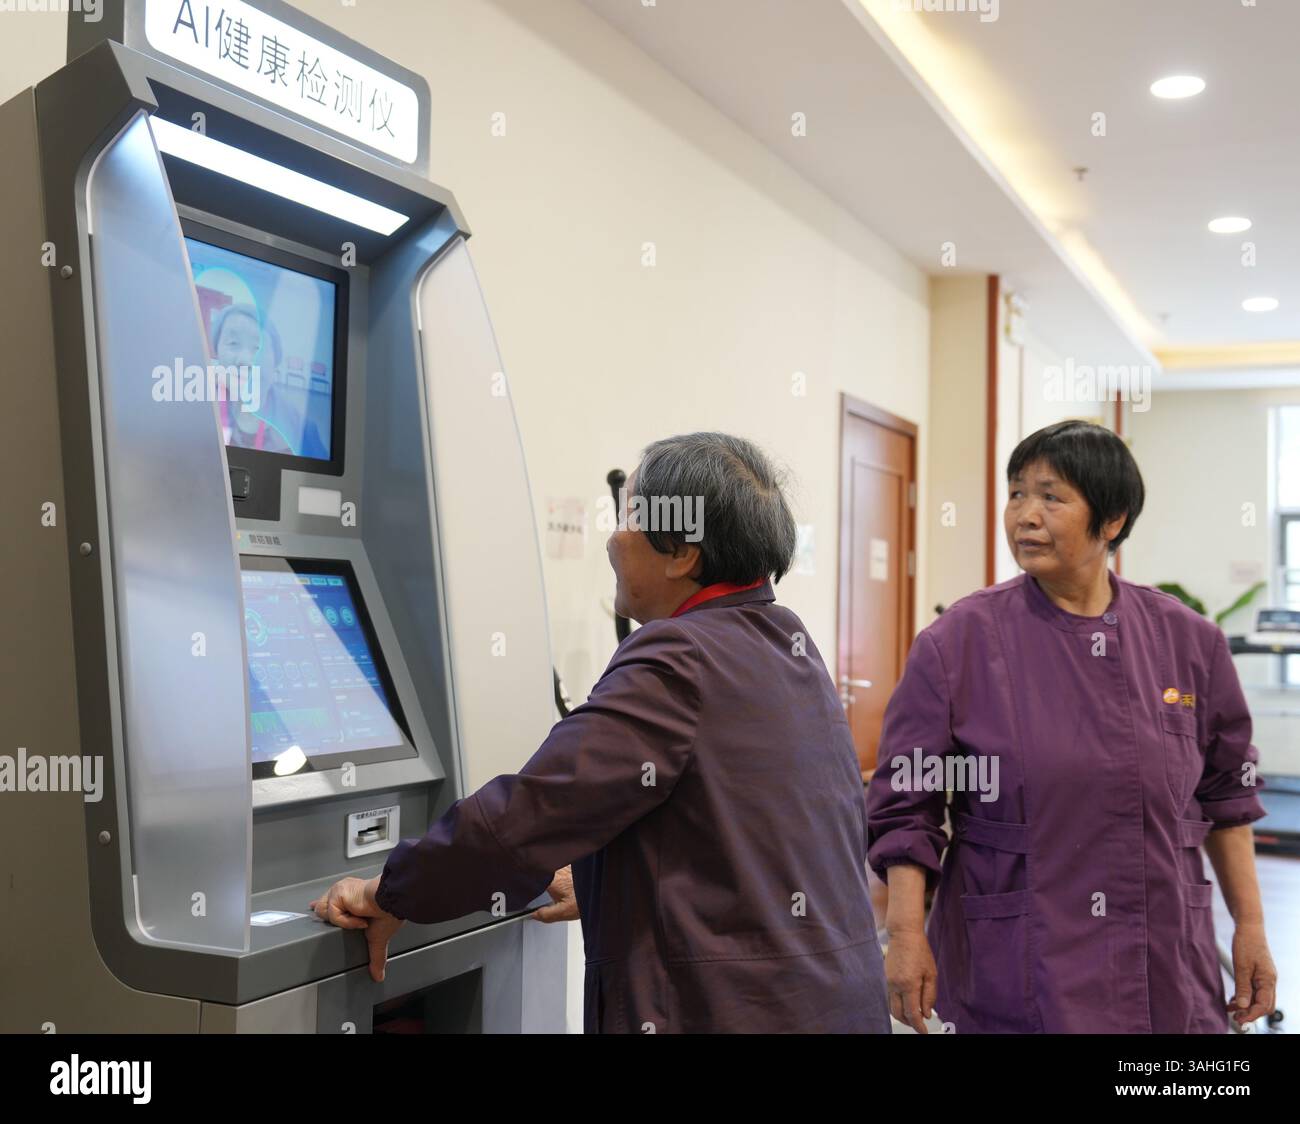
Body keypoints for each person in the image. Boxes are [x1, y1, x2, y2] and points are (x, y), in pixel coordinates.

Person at [311, 432, 891, 1033]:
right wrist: (601, 882)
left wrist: (391, 891)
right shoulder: (787, 642)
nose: (612, 539)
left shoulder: (679, 656)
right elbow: (744, 841)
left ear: (682, 551)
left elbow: (528, 813)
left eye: (627, 516)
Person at [867, 419, 1277, 1033]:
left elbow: (1227, 798)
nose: (1024, 516)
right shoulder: (959, 642)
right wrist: (903, 934)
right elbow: (908, 807)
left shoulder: (1189, 642)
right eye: (1016, 493)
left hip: (1161, 954)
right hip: (1019, 956)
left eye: (1051, 496)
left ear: (1112, 520)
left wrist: (1250, 929)